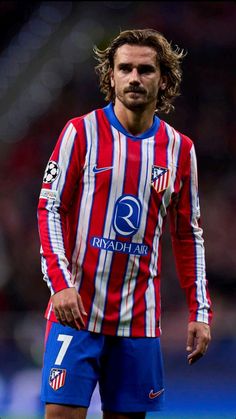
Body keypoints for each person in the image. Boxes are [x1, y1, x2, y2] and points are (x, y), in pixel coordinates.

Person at [37, 28, 212, 419]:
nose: (134, 77)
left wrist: (200, 311)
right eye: (125, 68)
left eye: (145, 69)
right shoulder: (79, 133)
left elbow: (188, 235)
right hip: (76, 312)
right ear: (111, 76)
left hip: (139, 321)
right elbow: (48, 209)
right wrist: (61, 285)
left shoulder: (180, 150)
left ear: (163, 79)